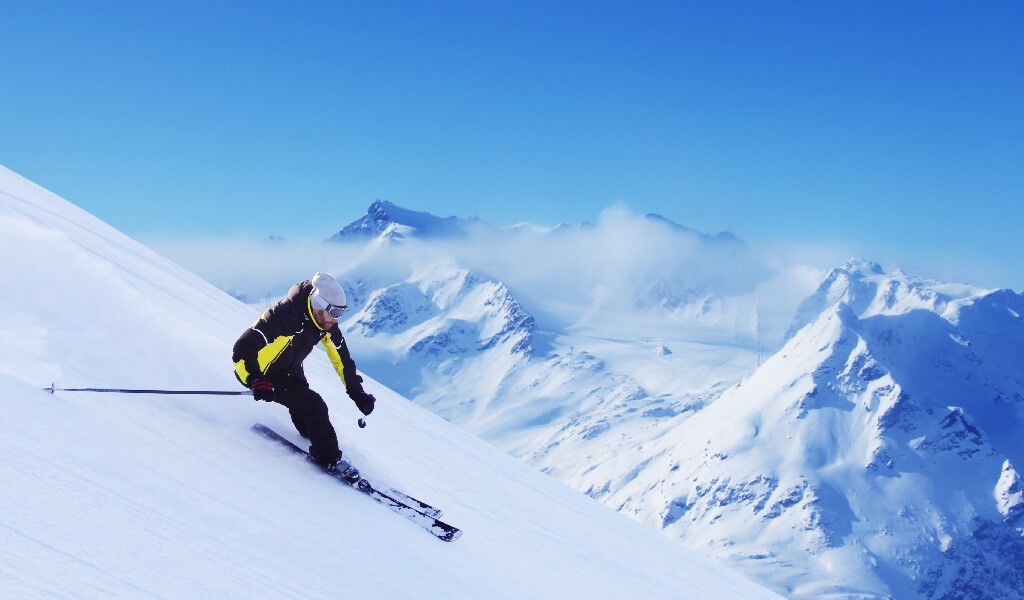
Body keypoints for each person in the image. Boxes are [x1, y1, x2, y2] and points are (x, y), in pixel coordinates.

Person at [233, 272, 375, 472]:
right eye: (334, 313)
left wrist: (357, 394)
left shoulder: (324, 322)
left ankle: (314, 437)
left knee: (306, 412)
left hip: (290, 368)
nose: (337, 320)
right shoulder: (283, 316)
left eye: (341, 313)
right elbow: (243, 348)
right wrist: (256, 379)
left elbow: (341, 360)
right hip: (262, 373)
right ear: (319, 304)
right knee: (314, 405)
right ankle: (329, 459)